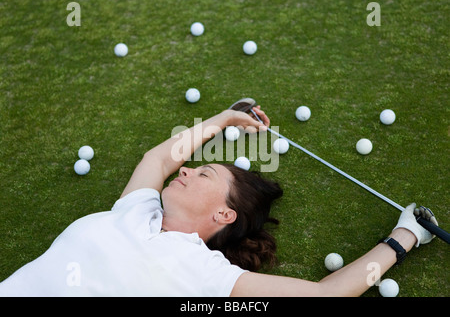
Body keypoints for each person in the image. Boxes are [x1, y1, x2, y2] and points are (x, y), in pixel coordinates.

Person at [0, 104, 437, 296]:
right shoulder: (137, 211)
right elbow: (159, 158)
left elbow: (325, 294)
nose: (186, 169)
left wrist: (405, 236)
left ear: (224, 213)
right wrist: (225, 118)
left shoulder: (206, 276)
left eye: (203, 172)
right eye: (192, 168)